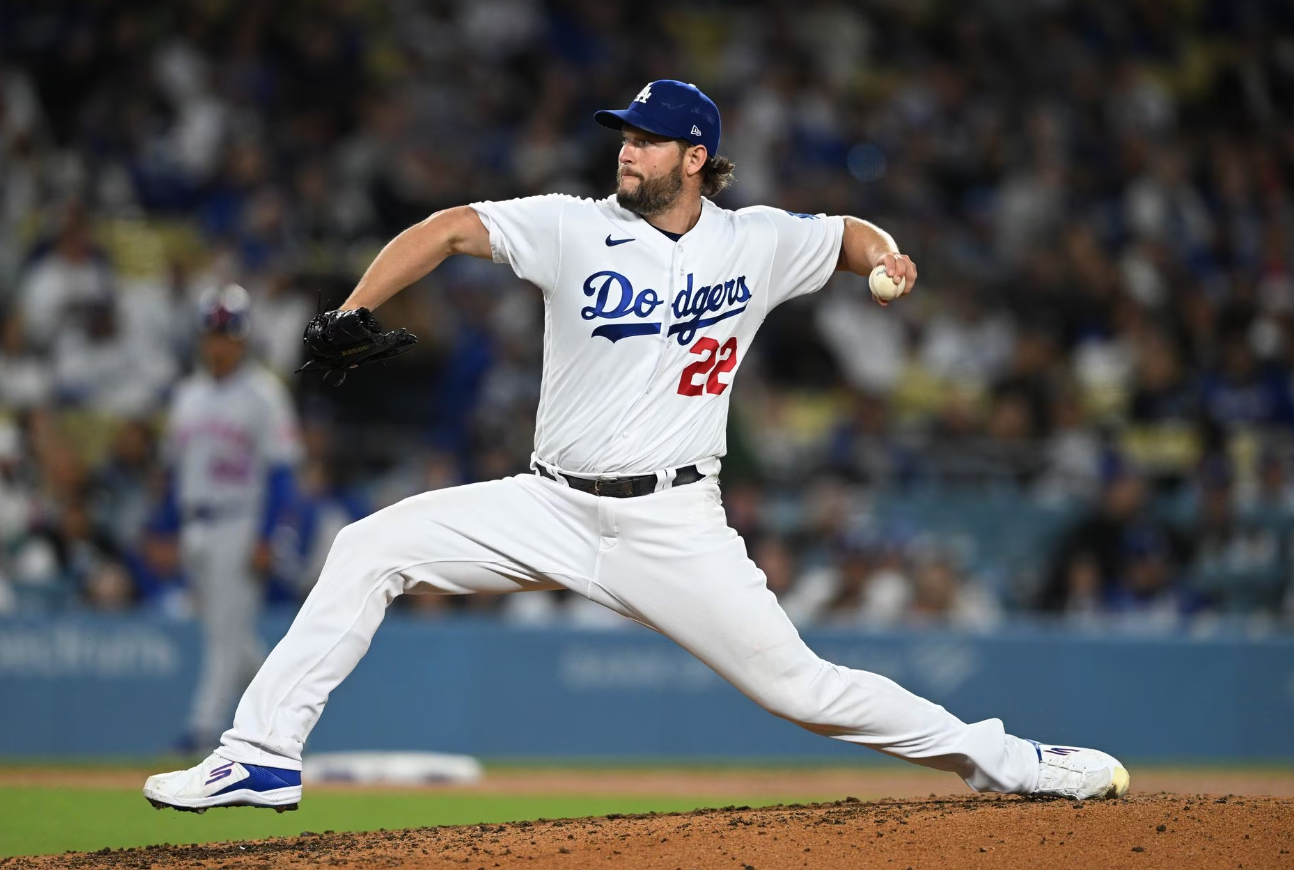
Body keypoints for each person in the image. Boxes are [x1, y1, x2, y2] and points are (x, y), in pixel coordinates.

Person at [144, 81, 1128, 812]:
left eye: (647, 138)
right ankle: (263, 753)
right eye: (624, 134)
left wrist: (888, 257)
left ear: (694, 157)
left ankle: (1012, 762)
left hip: (672, 522)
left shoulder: (754, 242)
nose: (627, 149)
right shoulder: (572, 228)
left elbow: (847, 236)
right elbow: (448, 229)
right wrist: (356, 305)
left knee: (805, 690)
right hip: (549, 504)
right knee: (369, 547)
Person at [151, 284, 301, 751]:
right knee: (228, 633)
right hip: (195, 521)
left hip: (241, 520)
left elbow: (281, 473)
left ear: (242, 339)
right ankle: (283, 717)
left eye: (226, 334)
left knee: (223, 634)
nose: (218, 343)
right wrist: (162, 528)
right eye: (211, 334)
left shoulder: (263, 394)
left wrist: (267, 535)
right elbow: (174, 470)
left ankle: (202, 728)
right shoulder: (187, 395)